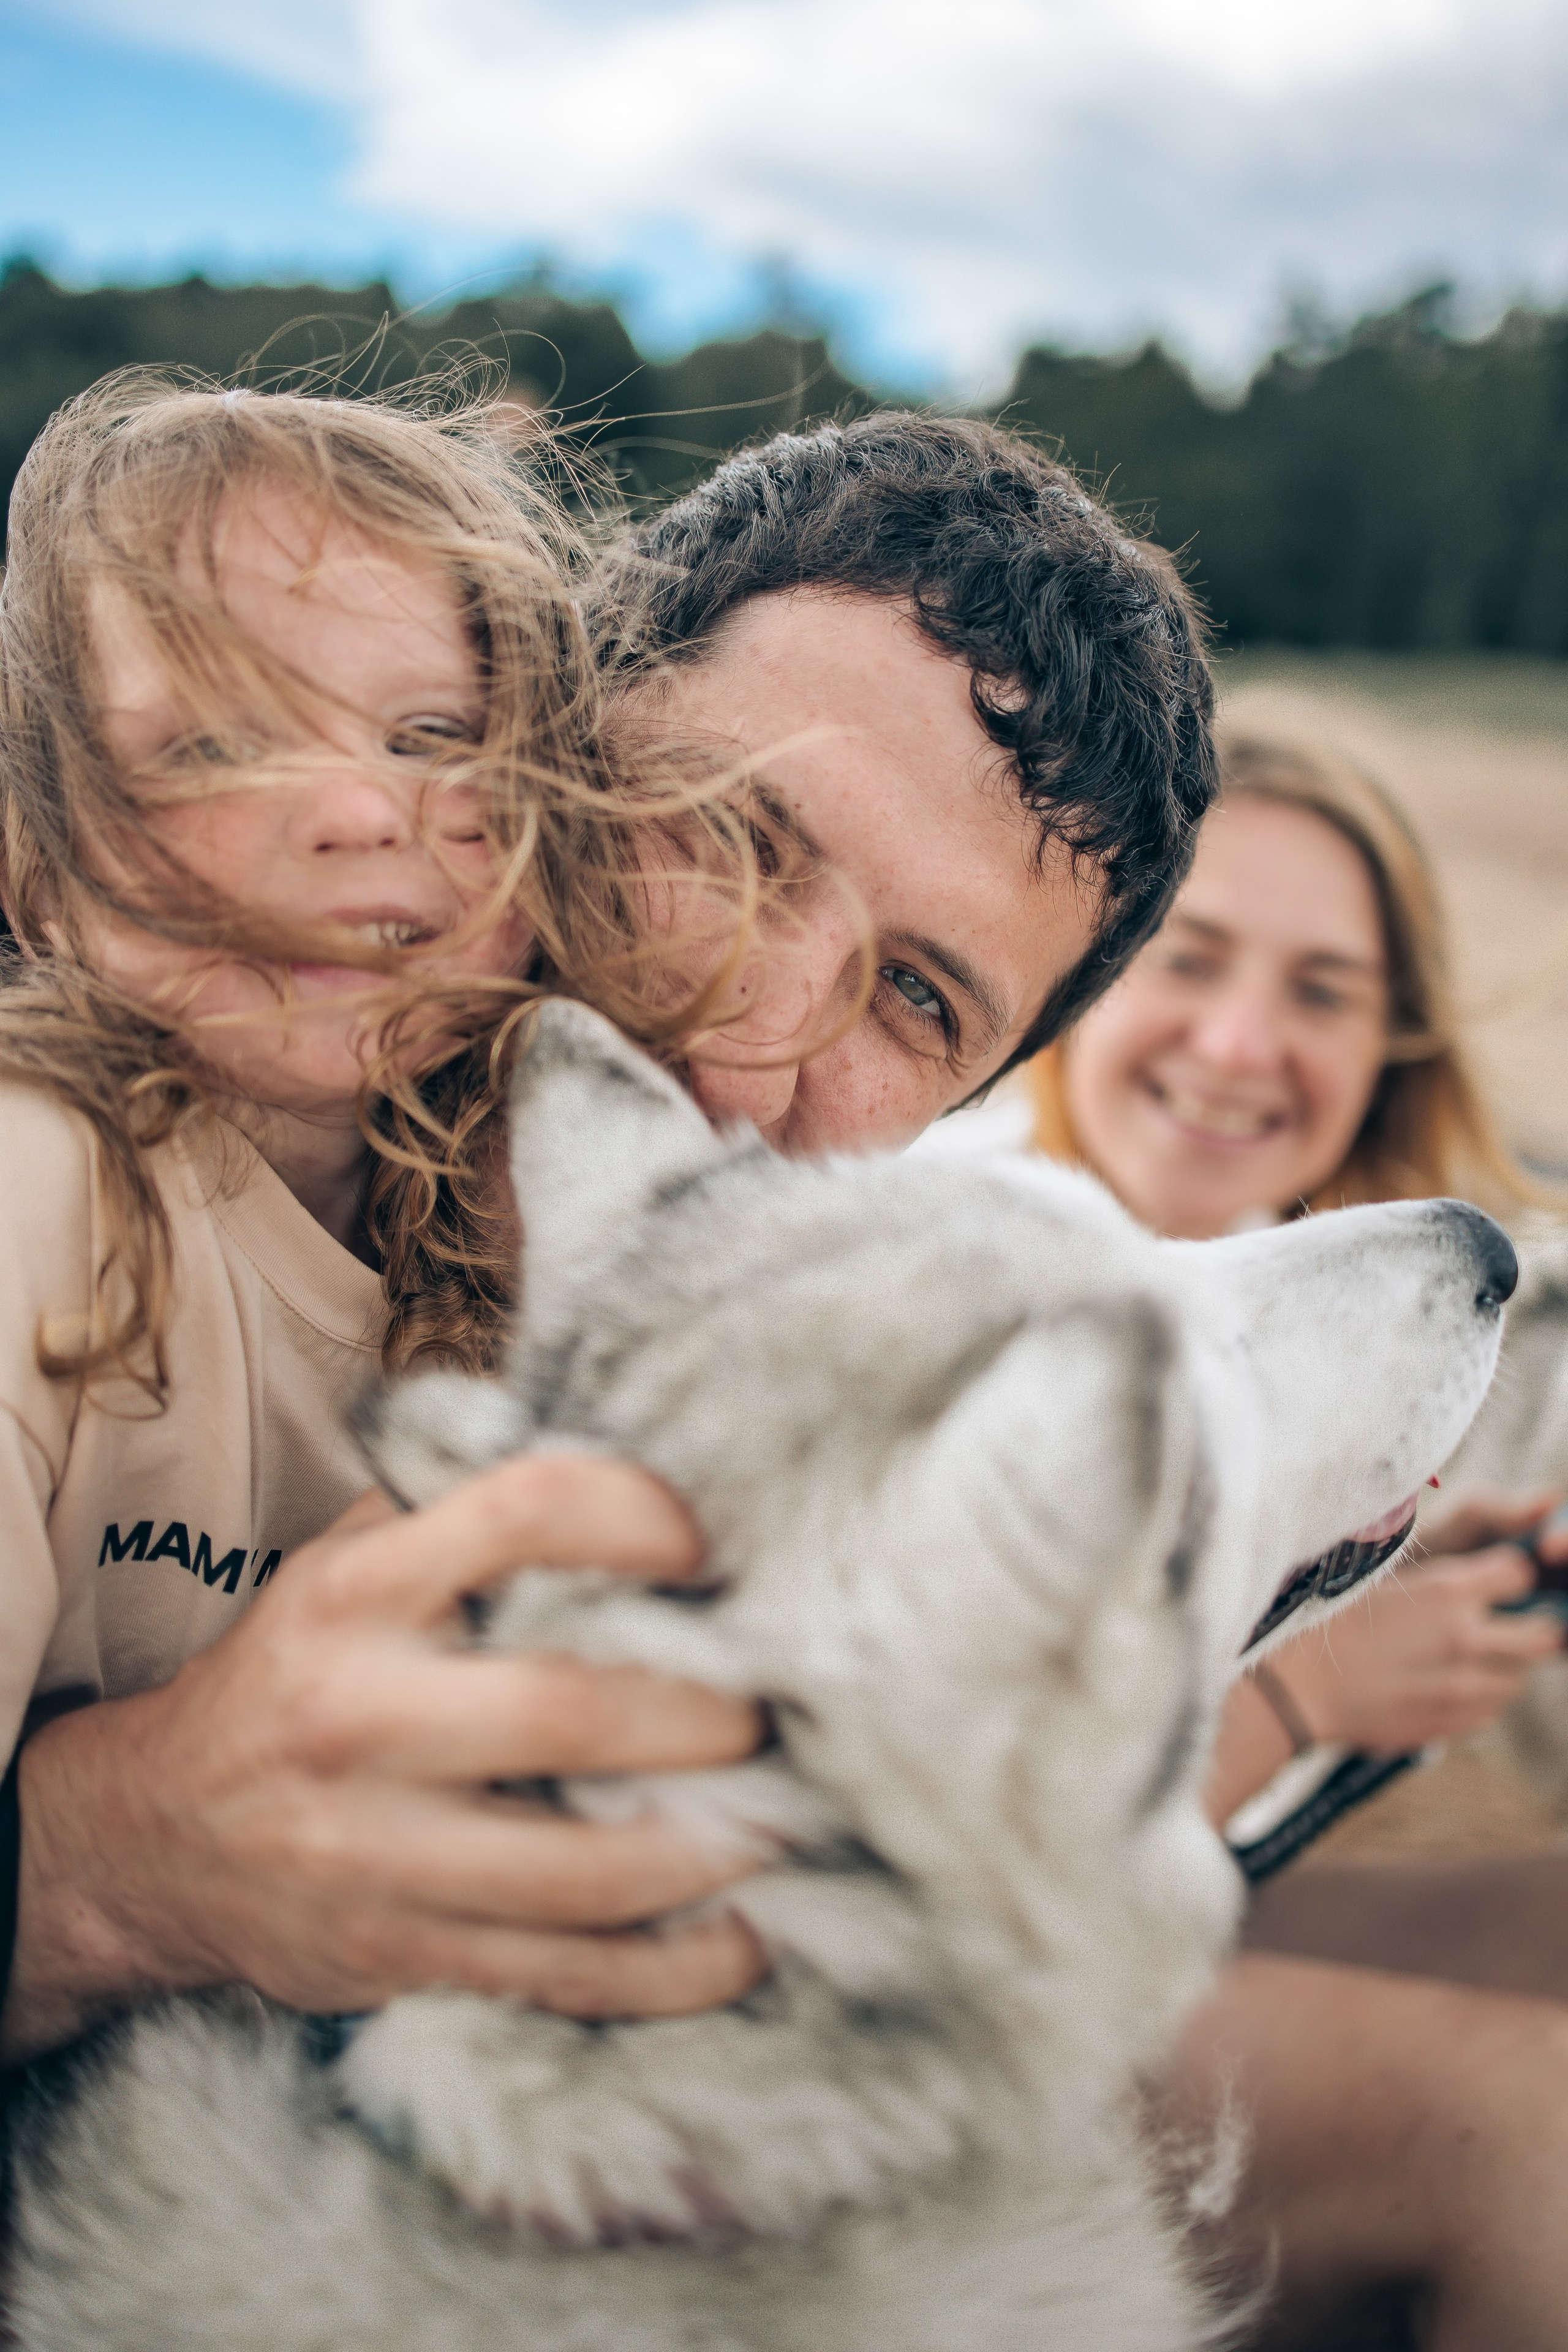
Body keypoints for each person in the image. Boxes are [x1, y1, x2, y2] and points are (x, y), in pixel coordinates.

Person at [0, 398, 1215, 2064]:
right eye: (728, 830)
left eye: (917, 998)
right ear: (548, 726)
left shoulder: (802, 1460)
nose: (748, 1037)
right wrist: (113, 1865)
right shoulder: (76, 1179)